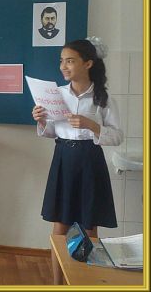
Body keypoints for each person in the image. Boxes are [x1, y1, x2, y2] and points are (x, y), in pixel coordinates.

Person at [32, 37, 123, 285]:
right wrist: (41, 120)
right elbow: (50, 132)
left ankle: (87, 282)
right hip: (63, 160)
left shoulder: (103, 98)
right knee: (60, 226)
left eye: (70, 61)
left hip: (90, 162)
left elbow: (117, 137)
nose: (63, 66)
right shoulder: (56, 95)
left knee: (89, 227)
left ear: (88, 63)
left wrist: (92, 125)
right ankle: (57, 284)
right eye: (62, 61)